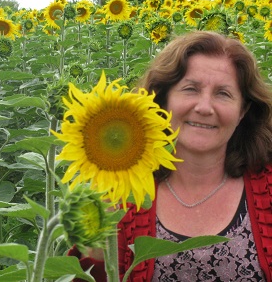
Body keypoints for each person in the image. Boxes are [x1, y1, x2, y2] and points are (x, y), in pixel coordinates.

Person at [68, 31, 272, 281]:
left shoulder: (268, 189)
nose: (204, 107)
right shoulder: (124, 193)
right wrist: (97, 237)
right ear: (162, 101)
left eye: (223, 94)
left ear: (243, 111)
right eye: (190, 89)